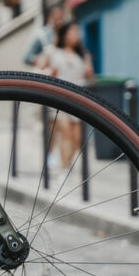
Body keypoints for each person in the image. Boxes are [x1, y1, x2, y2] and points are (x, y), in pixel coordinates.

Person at [34, 21, 94, 168]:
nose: (76, 35)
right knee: (66, 133)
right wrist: (49, 73)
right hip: (58, 99)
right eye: (72, 31)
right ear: (64, 34)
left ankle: (66, 164)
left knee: (77, 139)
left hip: (76, 99)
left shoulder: (82, 55)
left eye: (77, 32)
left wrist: (88, 72)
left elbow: (91, 80)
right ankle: (64, 167)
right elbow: (38, 70)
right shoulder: (52, 52)